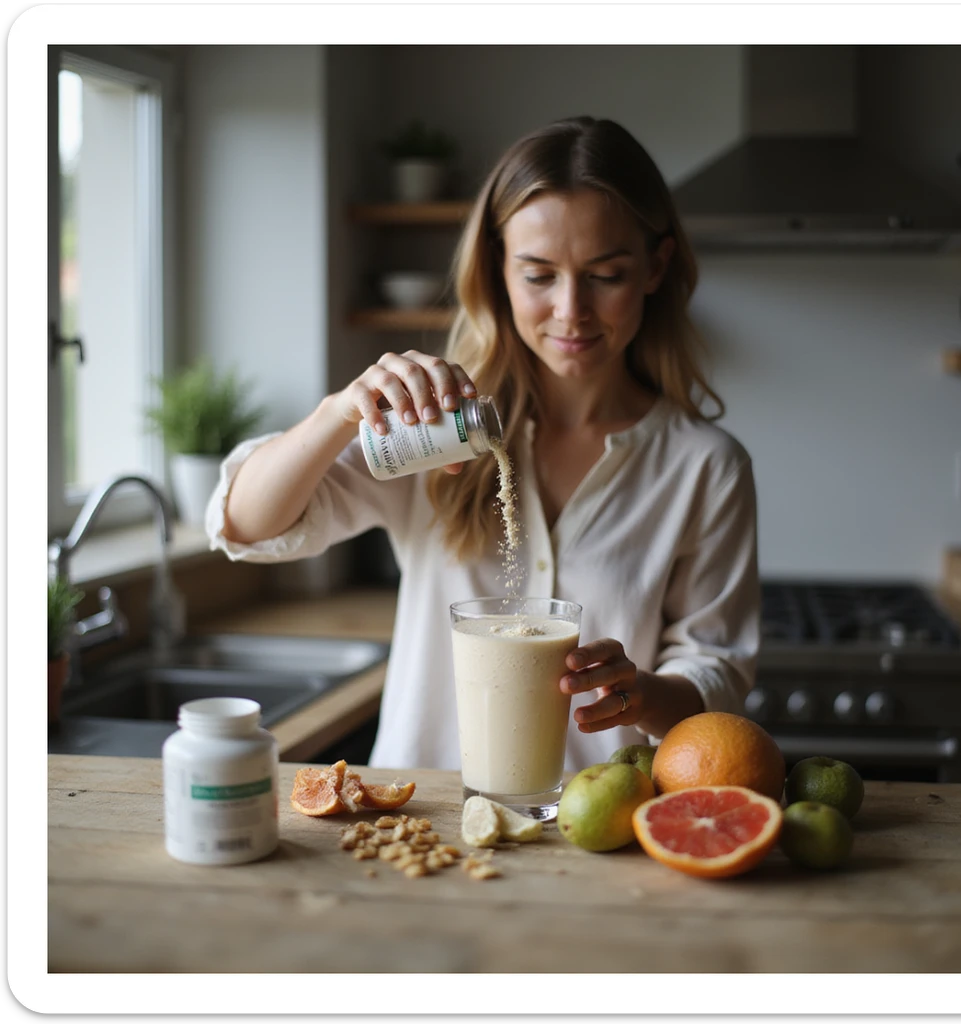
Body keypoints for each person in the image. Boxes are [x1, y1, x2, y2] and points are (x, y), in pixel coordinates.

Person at [206, 115, 760, 773]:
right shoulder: (437, 429)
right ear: (498, 268)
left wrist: (639, 692)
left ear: (654, 267)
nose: (571, 310)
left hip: (600, 815)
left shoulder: (705, 467)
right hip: (425, 813)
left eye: (606, 275)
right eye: (539, 275)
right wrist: (336, 414)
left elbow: (715, 670)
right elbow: (246, 525)